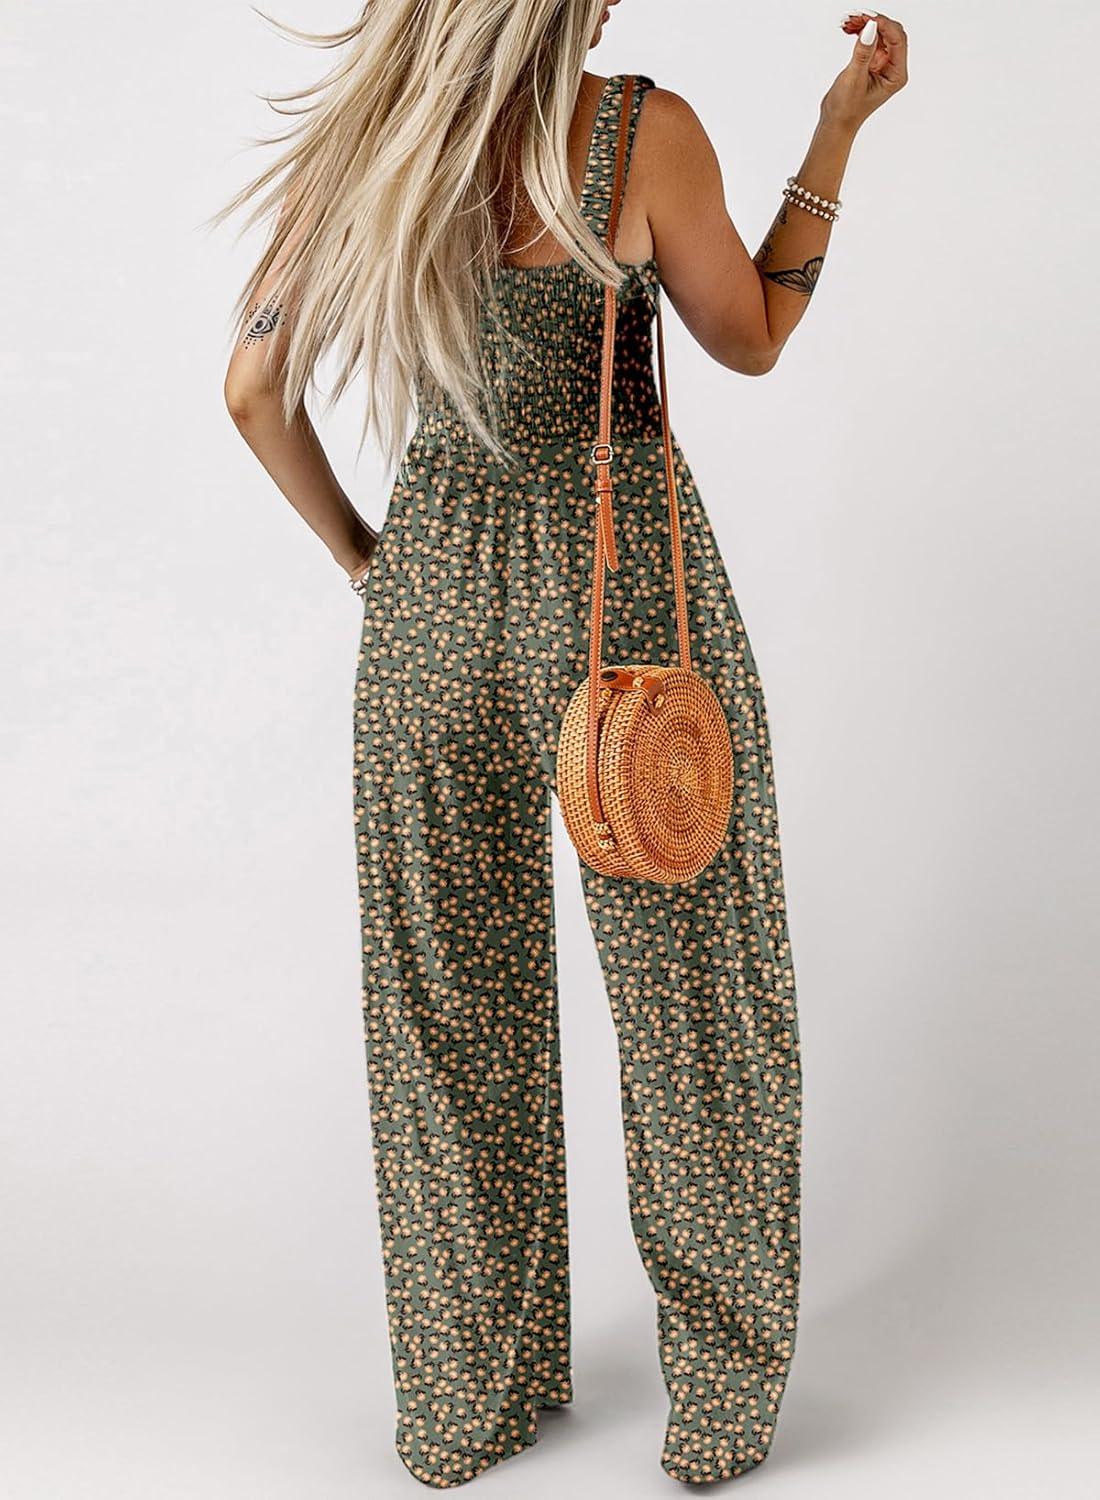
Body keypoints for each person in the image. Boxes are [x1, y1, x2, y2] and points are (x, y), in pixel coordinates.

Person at [217, 1, 908, 1487]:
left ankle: (467, 1402)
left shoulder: (366, 144)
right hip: (622, 599)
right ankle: (719, 1411)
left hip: (430, 607)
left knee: (445, 1017)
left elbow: (253, 393)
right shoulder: (639, 131)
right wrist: (838, 131)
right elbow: (753, 335)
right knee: (696, 1005)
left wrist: (366, 562)